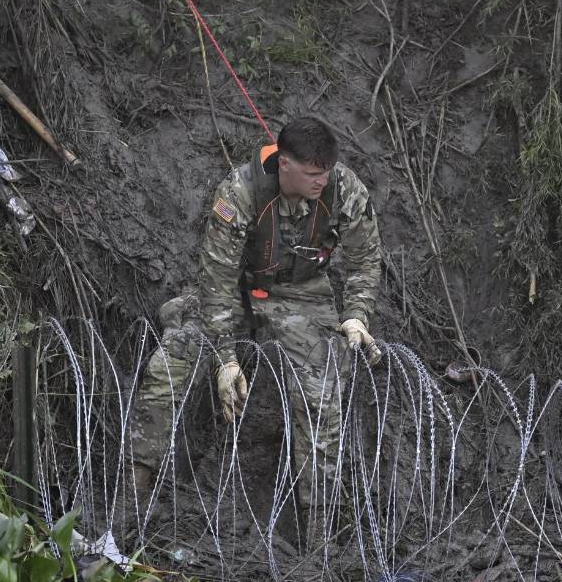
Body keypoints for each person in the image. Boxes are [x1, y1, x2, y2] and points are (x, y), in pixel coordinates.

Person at [127, 116, 384, 529]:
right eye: (312, 173)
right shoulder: (239, 193)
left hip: (302, 296)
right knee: (169, 363)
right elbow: (217, 280)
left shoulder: (344, 190)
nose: (322, 180)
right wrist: (225, 360)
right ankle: (136, 494)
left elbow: (365, 260)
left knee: (322, 392)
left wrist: (356, 314)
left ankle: (318, 525)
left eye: (326, 172)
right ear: (284, 163)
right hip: (236, 292)